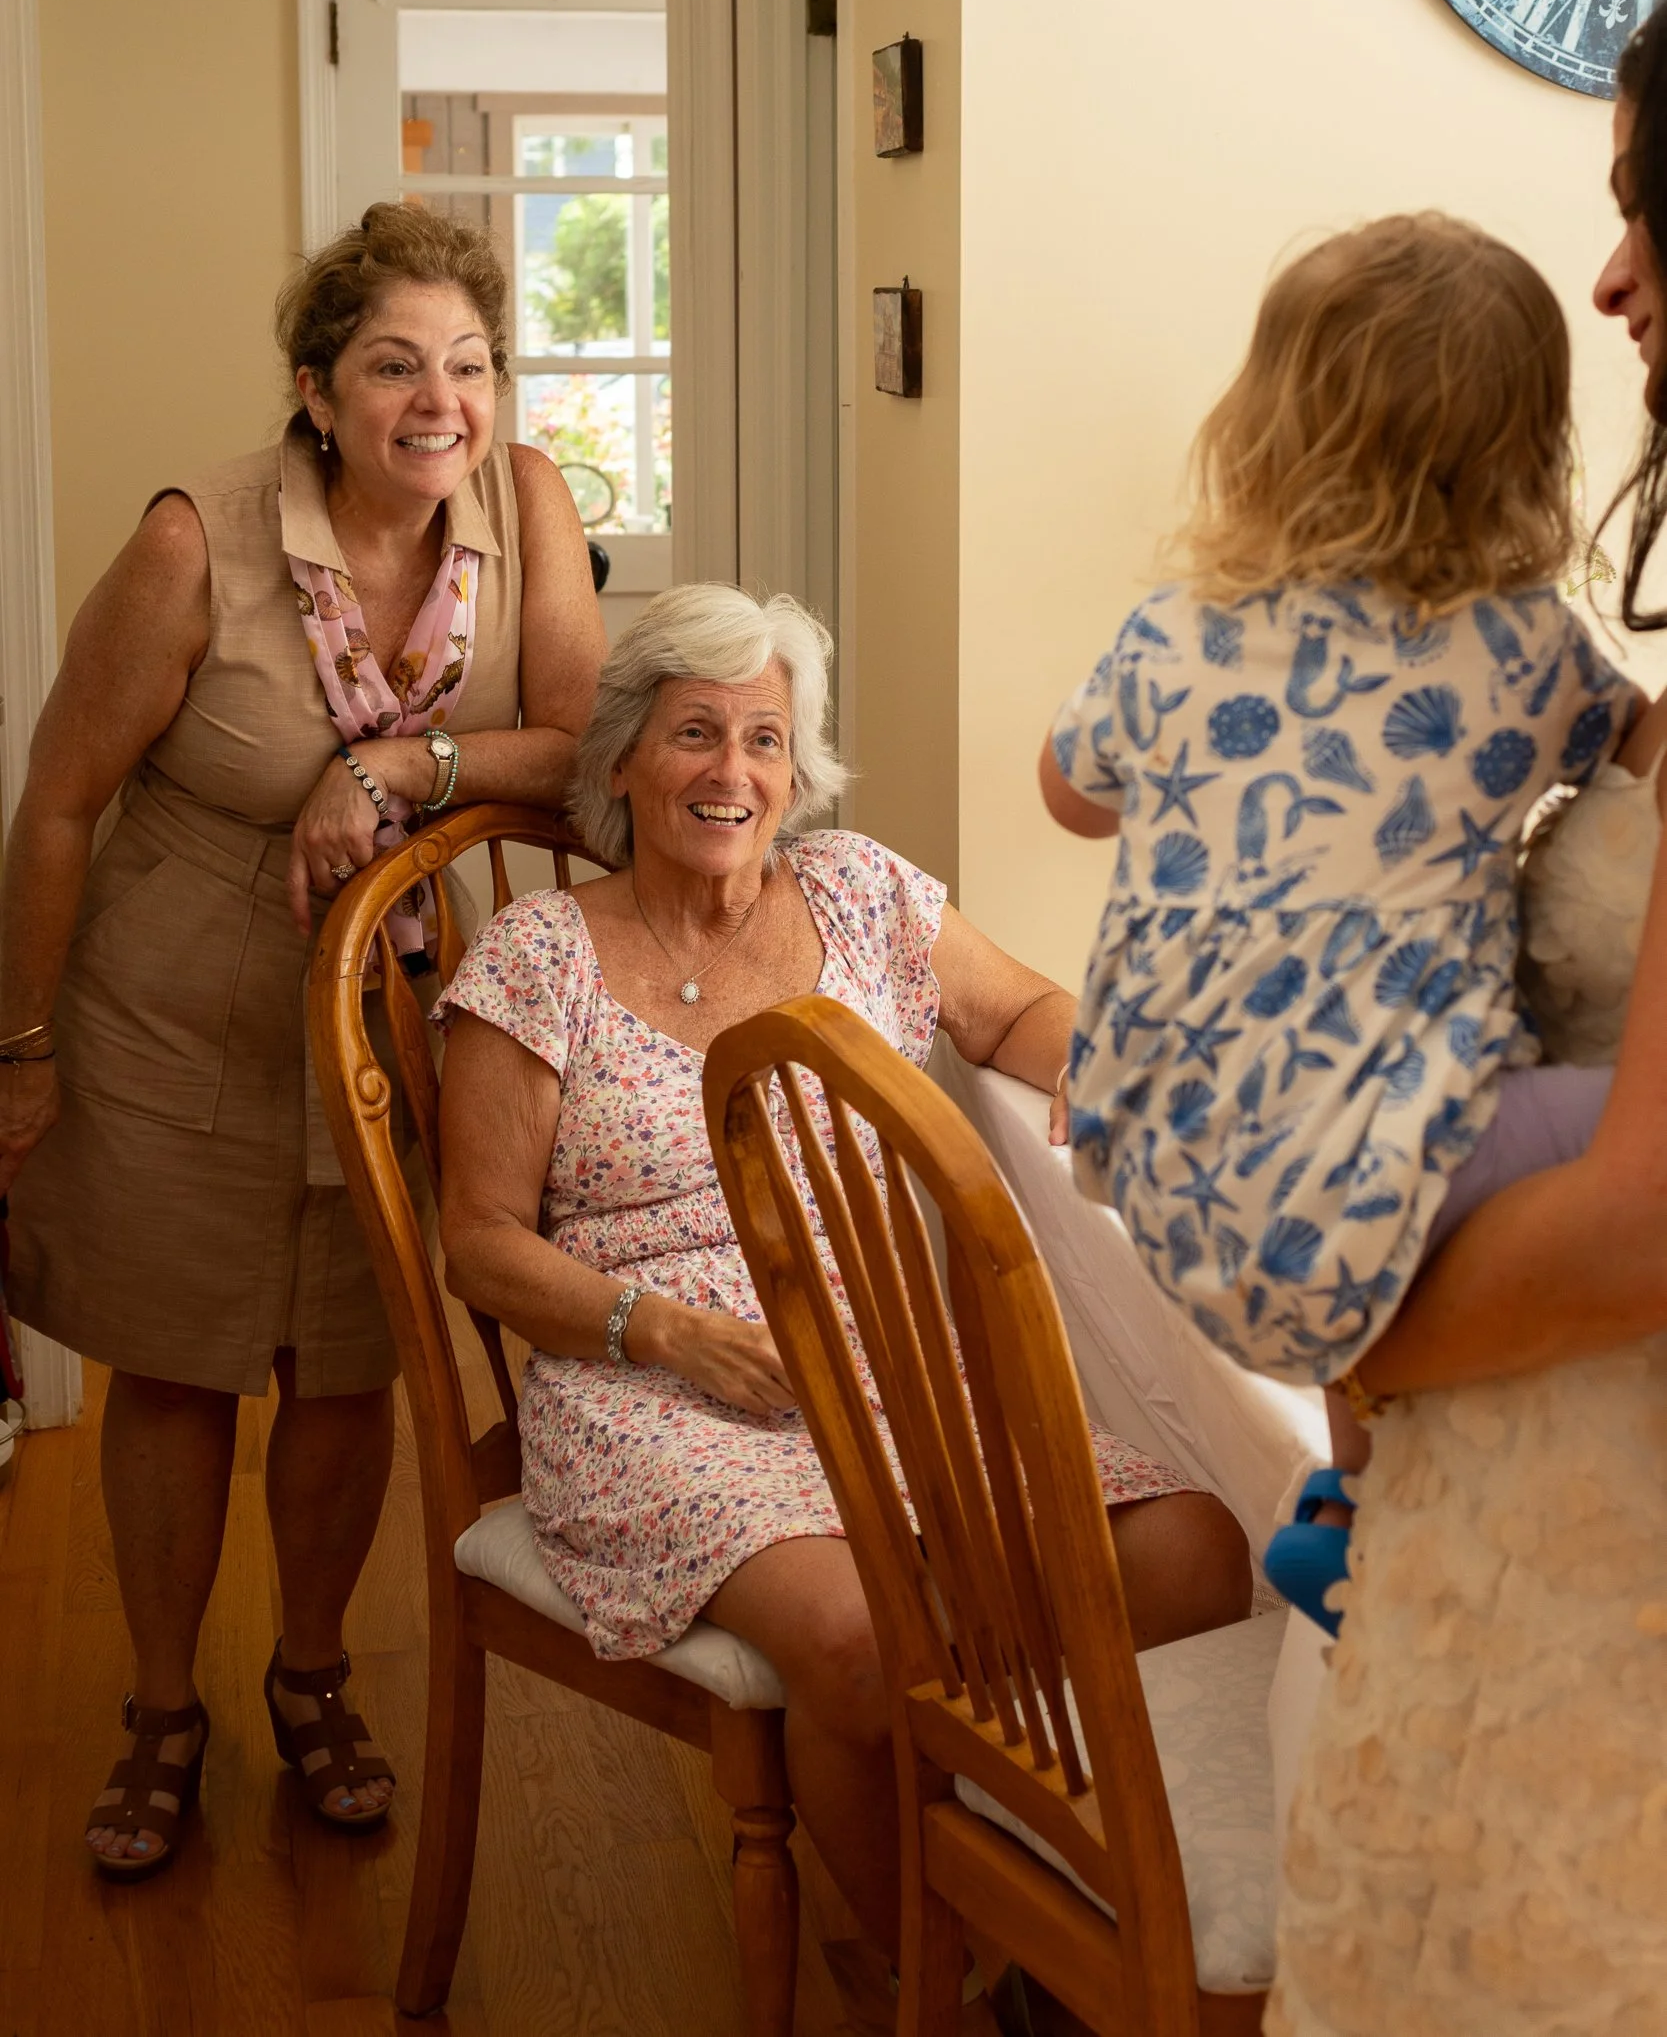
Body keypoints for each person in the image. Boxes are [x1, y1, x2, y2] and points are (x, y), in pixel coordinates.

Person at [435, 582, 1253, 1964]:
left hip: (883, 1361)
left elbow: (1021, 1008)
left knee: (1190, 1555)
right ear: (622, 760)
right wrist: (667, 1331)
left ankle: (1025, 1887)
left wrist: (1113, 1070)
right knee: (865, 1638)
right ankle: (923, 1973)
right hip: (651, 1386)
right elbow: (480, 1240)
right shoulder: (539, 958)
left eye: (764, 738)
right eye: (695, 733)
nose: (733, 772)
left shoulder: (861, 891)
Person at [0, 204, 605, 1879]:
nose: (440, 401)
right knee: (178, 1360)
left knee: (346, 1365)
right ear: (316, 392)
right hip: (172, 1003)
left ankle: (313, 1677)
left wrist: (399, 767)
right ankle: (158, 1708)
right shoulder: (195, 541)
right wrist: (21, 1047)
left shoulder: (528, 503)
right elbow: (59, 803)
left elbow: (577, 748)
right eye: (394, 366)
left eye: (469, 364)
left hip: (394, 1012)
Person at [1037, 213, 1634, 1629]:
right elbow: (1629, 757)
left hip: (1167, 1159)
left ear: (1266, 429)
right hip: (1371, 1167)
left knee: (1338, 1096)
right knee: (1597, 1119)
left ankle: (1344, 1498)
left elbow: (1068, 798)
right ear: (1525, 455)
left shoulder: (1173, 630)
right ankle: (1365, 1502)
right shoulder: (1529, 651)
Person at [1265, 4, 1667, 2034]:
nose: (1609, 275)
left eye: (1641, 208)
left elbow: (1647, 1210)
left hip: (1604, 1514)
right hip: (1521, 1469)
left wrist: (1337, 1327)